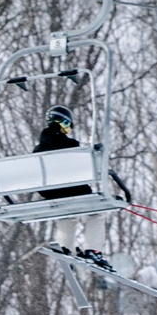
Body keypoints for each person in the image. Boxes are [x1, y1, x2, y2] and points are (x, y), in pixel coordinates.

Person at [33, 105, 112, 270]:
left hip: (50, 194)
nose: (68, 130)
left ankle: (65, 249)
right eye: (68, 125)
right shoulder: (71, 146)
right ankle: (93, 250)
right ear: (63, 123)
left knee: (67, 216)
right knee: (96, 214)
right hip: (73, 192)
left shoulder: (37, 150)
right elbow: (84, 172)